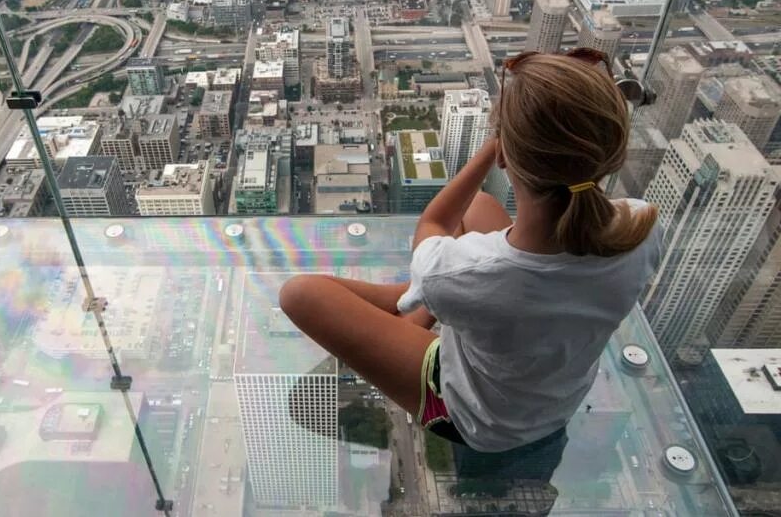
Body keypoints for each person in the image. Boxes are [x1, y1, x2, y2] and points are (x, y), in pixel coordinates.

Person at [279, 49, 663, 453]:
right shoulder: (641, 226)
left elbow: (435, 223)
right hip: (555, 400)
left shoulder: (471, 271)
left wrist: (492, 146)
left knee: (300, 294)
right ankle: (414, 300)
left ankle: (413, 306)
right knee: (479, 208)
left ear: (503, 155)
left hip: (476, 421)